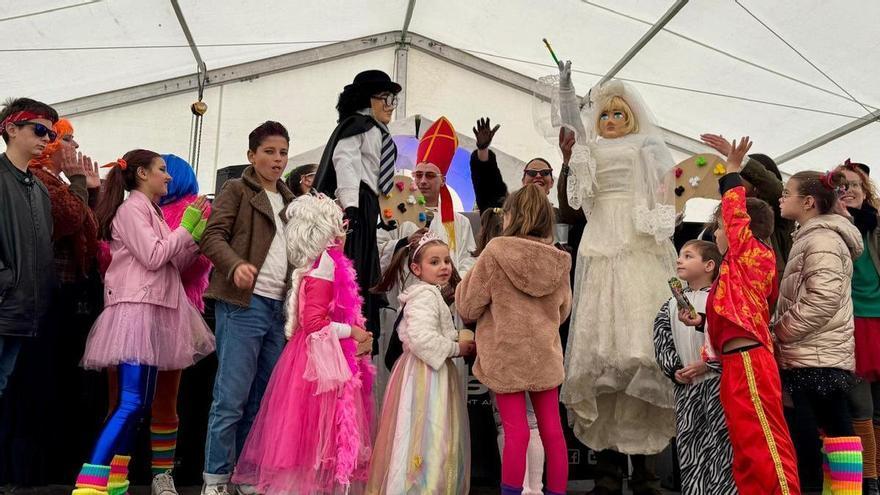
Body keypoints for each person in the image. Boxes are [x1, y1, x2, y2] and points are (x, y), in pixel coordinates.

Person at [552, 61, 677, 494]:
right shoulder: (587, 149)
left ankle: (645, 469)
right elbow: (570, 135)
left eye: (617, 114)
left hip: (638, 242)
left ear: (633, 117)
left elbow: (669, 193)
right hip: (601, 239)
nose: (609, 120)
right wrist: (566, 90)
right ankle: (607, 466)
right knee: (601, 353)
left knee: (640, 352)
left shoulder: (648, 145)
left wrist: (657, 224)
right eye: (604, 114)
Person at [72, 150, 215, 495]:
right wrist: (184, 230)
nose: (168, 177)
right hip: (135, 312)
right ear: (141, 174)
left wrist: (193, 239)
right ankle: (89, 483)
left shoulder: (150, 211)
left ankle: (116, 478)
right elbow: (153, 256)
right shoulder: (131, 210)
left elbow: (171, 261)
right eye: (162, 170)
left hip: (155, 311)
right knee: (131, 403)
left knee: (141, 404)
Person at [232, 194, 375, 494]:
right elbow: (314, 324)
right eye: (341, 227)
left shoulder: (322, 263)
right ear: (329, 231)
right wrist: (353, 331)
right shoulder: (326, 265)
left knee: (311, 437)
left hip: (315, 358)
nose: (344, 234)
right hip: (317, 364)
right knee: (313, 436)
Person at [697, 137, 800, 494]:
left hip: (749, 362)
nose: (717, 233)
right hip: (735, 362)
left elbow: (735, 213)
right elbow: (730, 312)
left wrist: (733, 171)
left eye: (722, 227)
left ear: (742, 228)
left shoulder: (753, 253)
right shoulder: (737, 268)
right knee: (745, 447)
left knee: (764, 442)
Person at [456, 185, 572, 495]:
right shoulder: (560, 260)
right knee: (552, 431)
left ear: (511, 216)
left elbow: (467, 306)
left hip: (505, 356)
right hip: (545, 355)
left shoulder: (495, 251)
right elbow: (563, 312)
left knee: (516, 431)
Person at [200, 121, 295, 495]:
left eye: (283, 152)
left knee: (264, 399)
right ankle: (216, 479)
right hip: (244, 304)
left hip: (280, 310)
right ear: (251, 156)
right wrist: (235, 264)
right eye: (269, 152)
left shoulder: (292, 203)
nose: (277, 159)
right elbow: (211, 236)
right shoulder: (236, 189)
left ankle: (246, 475)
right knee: (231, 398)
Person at [774, 169, 864, 494]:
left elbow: (822, 298)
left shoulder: (821, 238)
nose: (781, 197)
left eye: (787, 192)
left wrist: (778, 331)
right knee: (837, 436)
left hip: (812, 357)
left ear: (809, 202)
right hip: (819, 354)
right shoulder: (814, 236)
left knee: (808, 443)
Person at [367, 231, 474, 494]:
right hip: (425, 376)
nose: (444, 267)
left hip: (432, 373)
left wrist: (453, 338)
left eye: (446, 261)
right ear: (416, 268)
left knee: (432, 434)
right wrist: (455, 348)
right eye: (434, 262)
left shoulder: (432, 294)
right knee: (426, 433)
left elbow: (431, 331)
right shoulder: (424, 296)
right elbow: (421, 339)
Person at [314, 70, 402, 352]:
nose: (390, 104)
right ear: (369, 99)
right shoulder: (358, 125)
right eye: (386, 97)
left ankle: (361, 326)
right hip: (357, 205)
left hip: (369, 206)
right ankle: (349, 323)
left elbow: (379, 176)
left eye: (393, 99)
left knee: (364, 269)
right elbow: (346, 163)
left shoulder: (376, 129)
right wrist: (350, 207)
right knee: (353, 266)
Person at [0, 98, 60, 487]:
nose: (47, 139)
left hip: (24, 312)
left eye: (51, 133)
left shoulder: (38, 188)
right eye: (39, 129)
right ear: (11, 128)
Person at [471, 205, 546, 495]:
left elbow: (469, 306)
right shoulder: (539, 260)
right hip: (538, 350)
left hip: (502, 352)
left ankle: (519, 488)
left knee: (509, 425)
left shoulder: (487, 263)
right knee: (534, 423)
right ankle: (535, 488)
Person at [652, 240, 736, 494]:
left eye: (688, 256)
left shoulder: (723, 301)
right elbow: (661, 341)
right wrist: (674, 370)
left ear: (709, 265)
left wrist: (710, 365)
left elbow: (731, 342)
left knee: (722, 449)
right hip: (687, 391)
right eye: (680, 256)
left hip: (718, 388)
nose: (680, 260)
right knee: (691, 449)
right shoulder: (669, 305)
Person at [837, 160, 880, 494]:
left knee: (878, 407)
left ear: (866, 191)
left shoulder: (876, 226)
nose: (848, 190)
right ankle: (869, 479)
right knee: (860, 407)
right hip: (849, 324)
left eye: (854, 184)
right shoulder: (828, 228)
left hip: (878, 320)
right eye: (842, 185)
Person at [700, 133, 794, 275]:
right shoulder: (731, 207)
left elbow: (774, 187)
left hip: (765, 289)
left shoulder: (778, 209)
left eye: (740, 173)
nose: (735, 177)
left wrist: (742, 161)